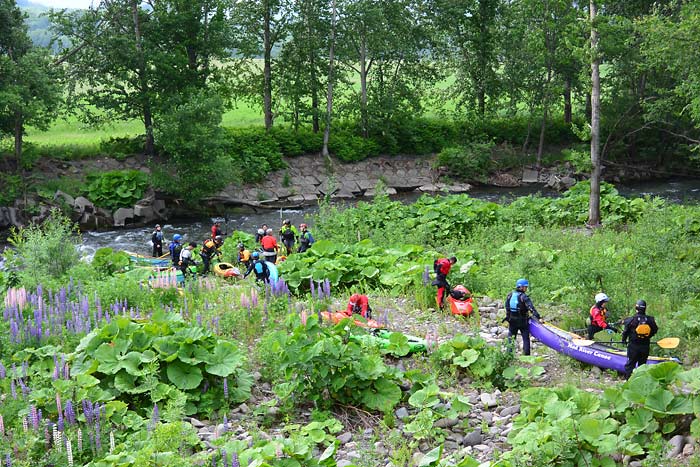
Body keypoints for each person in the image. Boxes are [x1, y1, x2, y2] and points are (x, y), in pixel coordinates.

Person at [621, 299, 659, 379]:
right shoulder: (650, 320)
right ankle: (641, 381)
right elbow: (655, 330)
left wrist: (623, 340)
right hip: (645, 347)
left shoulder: (631, 319)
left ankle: (628, 381)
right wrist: (648, 337)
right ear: (645, 308)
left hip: (633, 347)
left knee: (630, 365)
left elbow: (625, 332)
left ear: (636, 308)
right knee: (642, 366)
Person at [504, 278, 542, 356]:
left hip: (512, 320)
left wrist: (508, 318)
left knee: (511, 338)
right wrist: (538, 318)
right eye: (525, 287)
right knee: (525, 338)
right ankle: (526, 356)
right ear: (521, 287)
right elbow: (531, 308)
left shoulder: (510, 295)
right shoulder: (523, 297)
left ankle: (508, 355)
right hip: (522, 321)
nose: (526, 288)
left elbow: (507, 307)